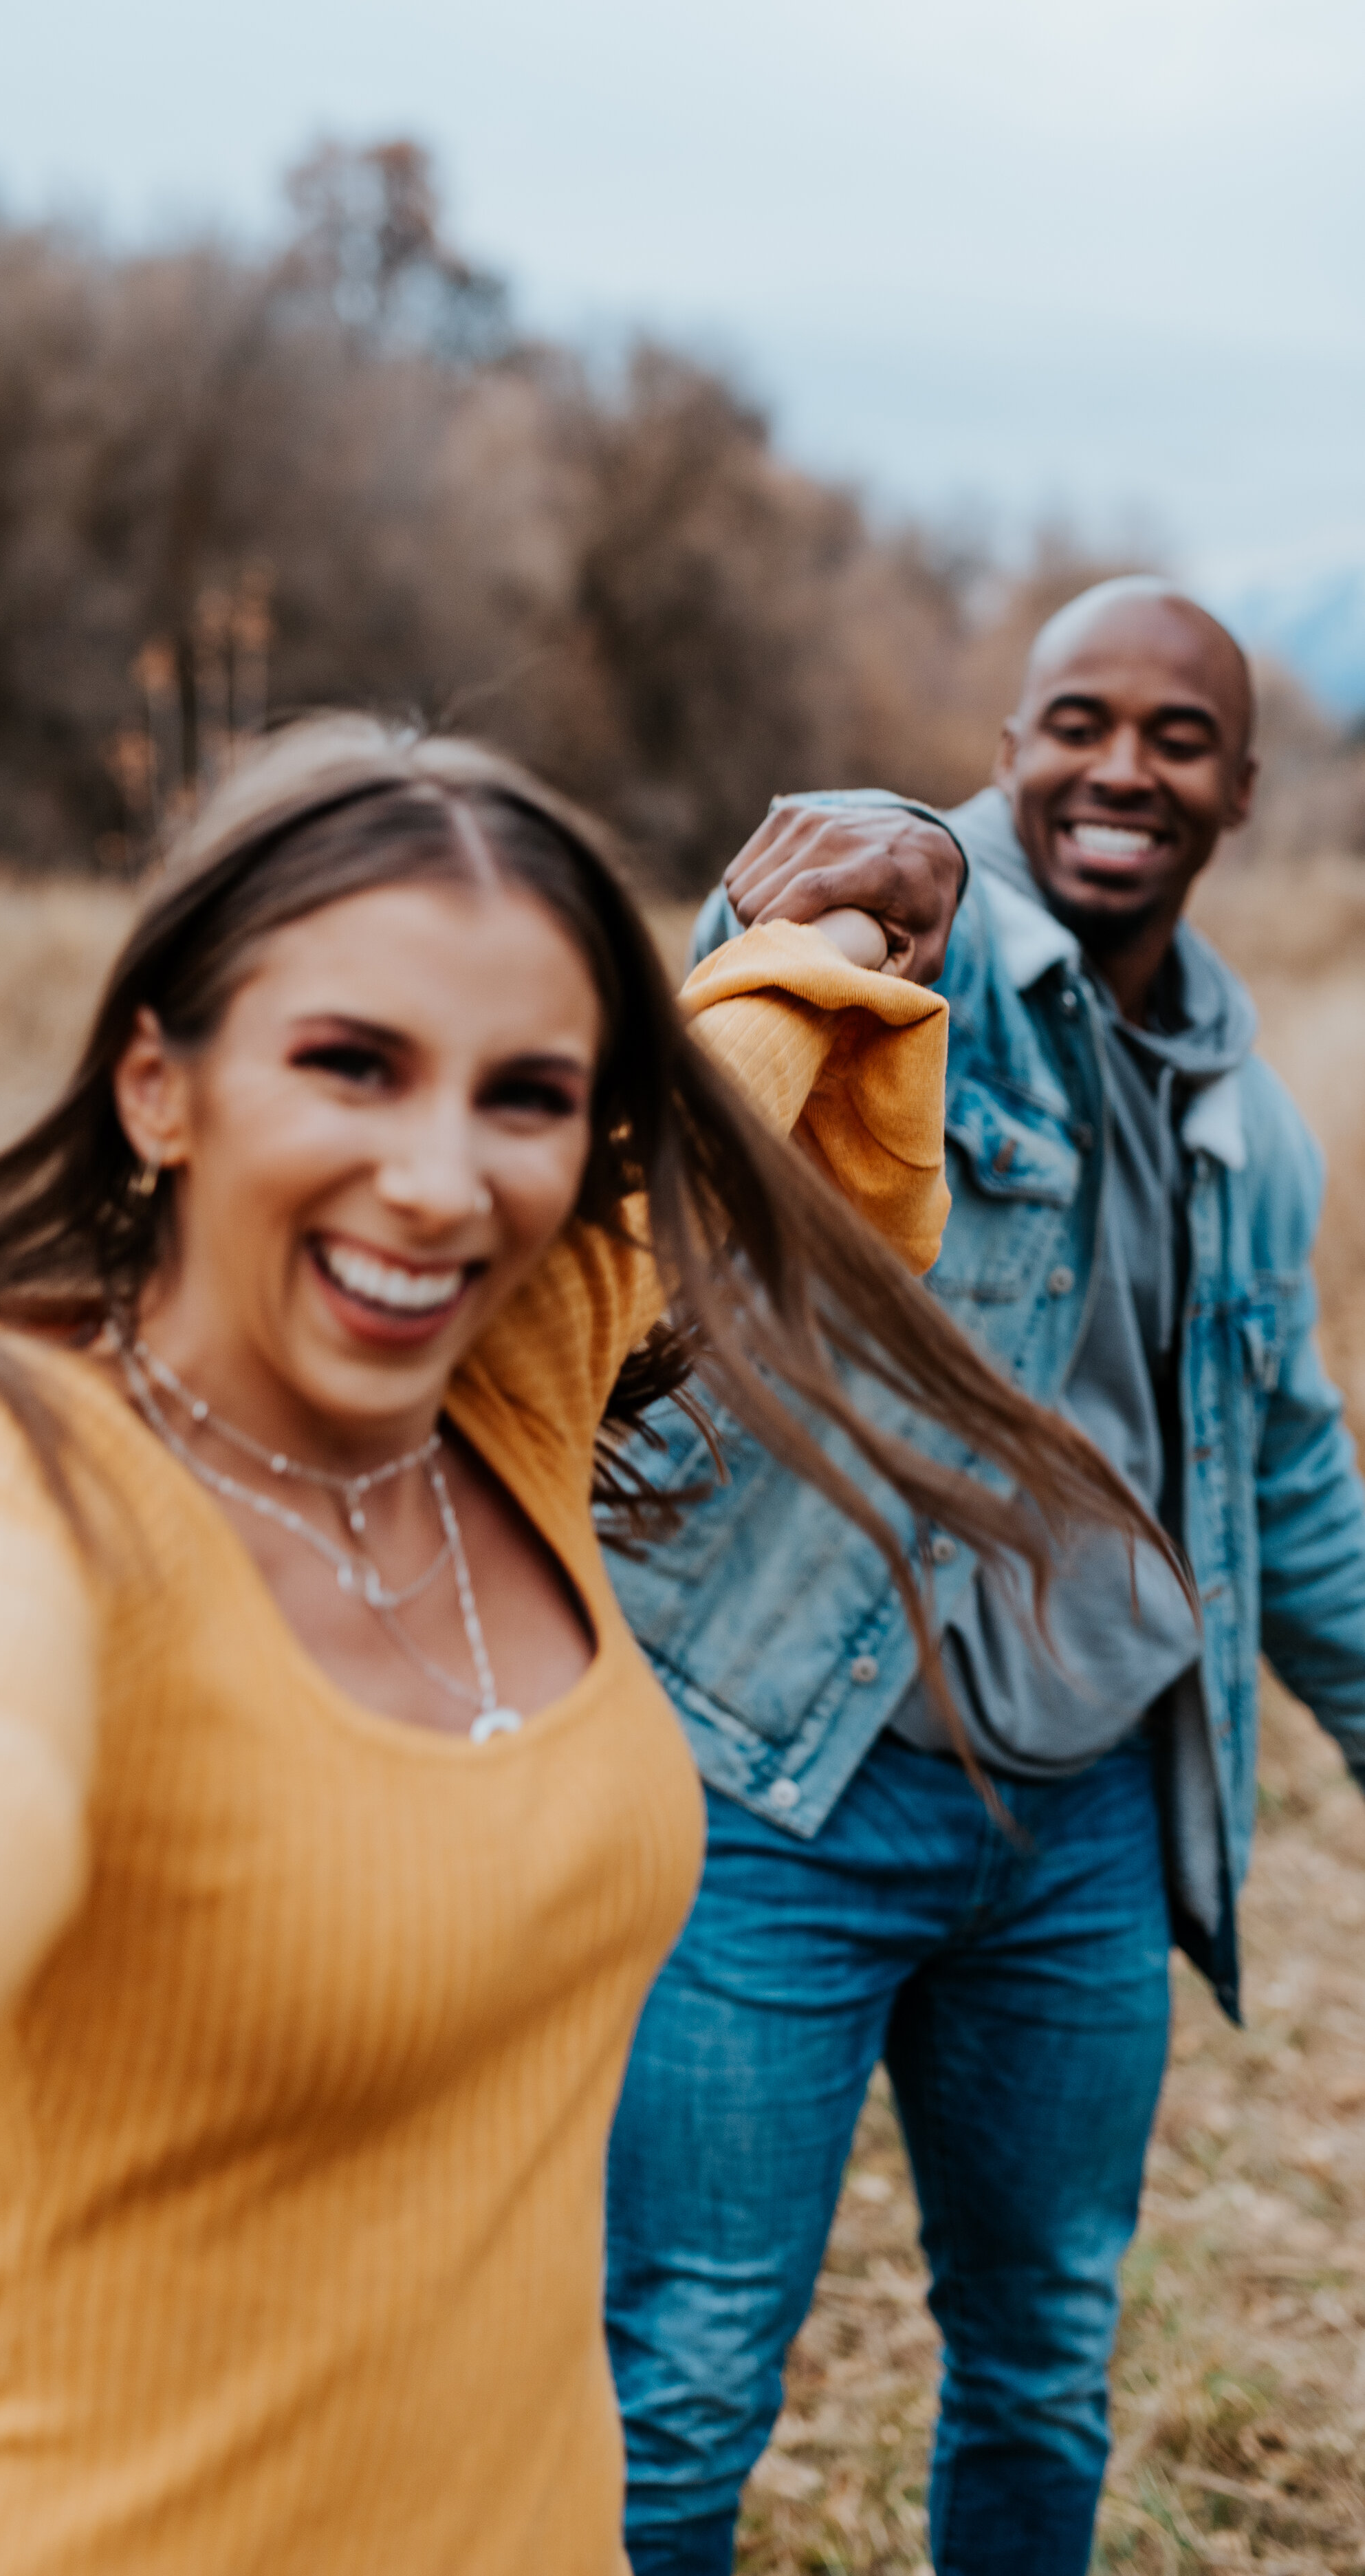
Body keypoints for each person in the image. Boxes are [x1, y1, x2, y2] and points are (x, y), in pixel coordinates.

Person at [0, 717, 1152, 2576]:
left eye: (521, 1093)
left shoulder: (507, 1365)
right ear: (156, 1086)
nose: (442, 1179)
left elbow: (744, 1046)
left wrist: (893, 887)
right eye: (349, 1064)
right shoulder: (15, 1472)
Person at [604, 578, 1365, 2576]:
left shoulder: (1250, 1124)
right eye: (1075, 721)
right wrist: (897, 853)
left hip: (1085, 1823)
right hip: (785, 1788)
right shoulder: (915, 969)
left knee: (1039, 2359)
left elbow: (1281, 1463)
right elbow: (771, 979)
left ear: (1240, 792)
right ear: (1010, 745)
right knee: (677, 2385)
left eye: (1174, 737)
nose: (1120, 766)